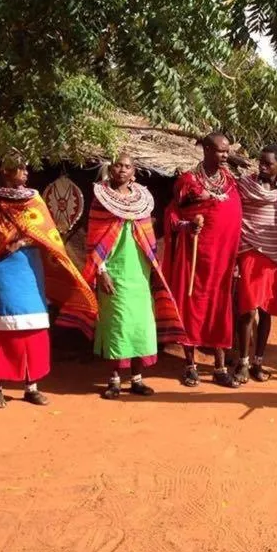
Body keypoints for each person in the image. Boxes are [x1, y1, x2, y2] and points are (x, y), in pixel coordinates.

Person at [0, 156, 97, 409]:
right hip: (0, 270)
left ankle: (31, 387)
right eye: (20, 168)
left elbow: (48, 235)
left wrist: (23, 241)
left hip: (29, 271)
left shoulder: (33, 198)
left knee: (33, 329)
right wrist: (3, 243)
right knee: (0, 331)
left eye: (26, 168)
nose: (26, 172)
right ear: (6, 170)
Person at [76, 153, 186, 399]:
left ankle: (137, 379)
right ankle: (114, 380)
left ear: (134, 171)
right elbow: (94, 240)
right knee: (117, 325)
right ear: (111, 169)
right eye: (118, 165)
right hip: (113, 271)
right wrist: (101, 271)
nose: (122, 170)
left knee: (141, 326)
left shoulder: (142, 200)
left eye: (127, 166)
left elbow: (147, 235)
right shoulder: (100, 200)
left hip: (140, 273)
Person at [162, 133, 243, 388]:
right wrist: (189, 226)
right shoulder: (188, 181)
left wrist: (236, 256)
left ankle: (219, 367)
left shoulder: (229, 182)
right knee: (192, 307)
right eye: (220, 151)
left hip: (222, 260)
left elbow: (235, 219)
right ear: (207, 149)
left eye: (227, 151)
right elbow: (172, 215)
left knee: (219, 308)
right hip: (194, 258)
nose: (225, 156)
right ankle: (190, 365)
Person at [233, 145, 277, 383]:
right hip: (250, 250)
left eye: (269, 164)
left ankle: (259, 361)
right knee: (247, 310)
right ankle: (243, 362)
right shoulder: (245, 185)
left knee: (266, 310)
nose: (263, 167)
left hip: (274, 255)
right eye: (261, 162)